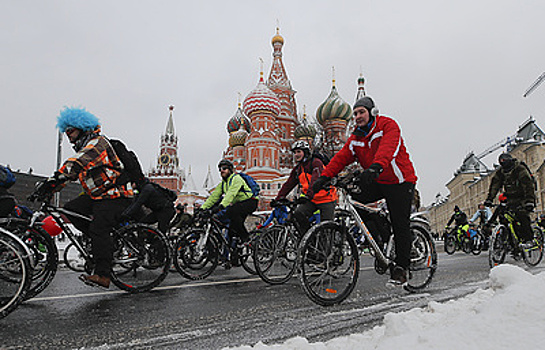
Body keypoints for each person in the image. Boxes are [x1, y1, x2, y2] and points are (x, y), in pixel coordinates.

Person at [313, 96, 417, 286]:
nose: (358, 116)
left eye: (362, 112)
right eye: (355, 113)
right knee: (356, 197)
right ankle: (383, 238)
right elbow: (341, 157)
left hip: (400, 180)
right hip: (376, 178)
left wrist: (376, 166)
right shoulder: (356, 138)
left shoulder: (387, 125)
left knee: (400, 222)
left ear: (372, 112)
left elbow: (388, 148)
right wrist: (323, 178)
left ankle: (402, 268)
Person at [39, 107, 133, 289]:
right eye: (66, 133)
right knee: (70, 209)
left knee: (99, 228)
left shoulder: (98, 143)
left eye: (71, 131)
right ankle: (100, 243)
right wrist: (51, 187)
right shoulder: (84, 146)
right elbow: (72, 175)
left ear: (83, 128)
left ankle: (103, 274)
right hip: (98, 195)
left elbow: (77, 163)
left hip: (115, 195)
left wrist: (56, 177)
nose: (69, 136)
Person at [271, 140, 337, 235]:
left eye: (299, 152)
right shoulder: (298, 169)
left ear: (305, 152)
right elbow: (289, 184)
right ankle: (309, 238)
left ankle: (326, 247)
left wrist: (308, 196)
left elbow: (315, 180)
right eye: (294, 152)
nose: (296, 155)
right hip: (312, 199)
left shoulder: (316, 163)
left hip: (326, 198)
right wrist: (278, 198)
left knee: (326, 228)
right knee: (298, 213)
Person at [201, 159, 258, 263]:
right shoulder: (223, 183)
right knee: (232, 229)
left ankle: (247, 238)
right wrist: (202, 208)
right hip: (238, 204)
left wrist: (220, 207)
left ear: (231, 169)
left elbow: (230, 195)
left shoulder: (236, 179)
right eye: (220, 169)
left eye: (224, 168)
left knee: (231, 211)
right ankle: (235, 255)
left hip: (250, 201)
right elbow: (213, 197)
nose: (221, 171)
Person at [484, 153, 536, 248]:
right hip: (510, 198)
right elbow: (495, 185)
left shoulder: (519, 169)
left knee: (522, 215)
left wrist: (529, 200)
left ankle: (529, 239)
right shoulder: (501, 172)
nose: (504, 166)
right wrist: (489, 199)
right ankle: (511, 244)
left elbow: (528, 185)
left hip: (523, 197)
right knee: (504, 216)